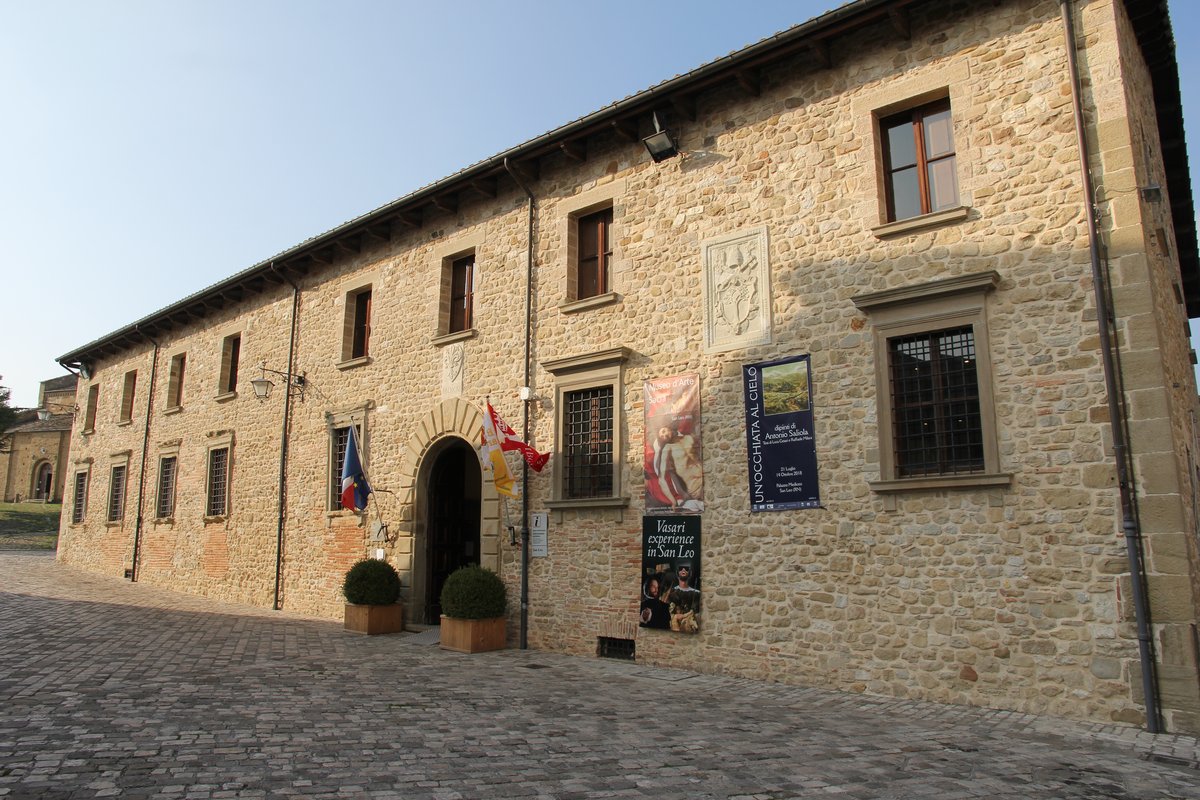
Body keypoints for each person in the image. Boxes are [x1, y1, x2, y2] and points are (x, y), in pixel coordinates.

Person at [668, 563, 701, 633]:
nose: (683, 570)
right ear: (677, 572)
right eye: (681, 568)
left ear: (690, 572)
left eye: (686, 568)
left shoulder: (697, 593)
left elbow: (698, 615)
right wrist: (676, 616)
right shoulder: (671, 592)